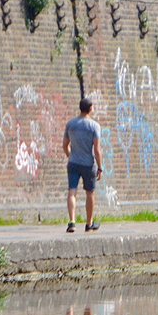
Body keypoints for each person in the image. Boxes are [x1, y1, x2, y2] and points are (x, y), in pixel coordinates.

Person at [63, 97, 104, 233]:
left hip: (73, 163)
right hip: (88, 164)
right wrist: (100, 167)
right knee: (90, 193)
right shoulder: (94, 126)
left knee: (72, 192)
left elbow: (65, 145)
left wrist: (71, 156)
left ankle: (72, 222)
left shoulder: (70, 124)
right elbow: (97, 150)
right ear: (90, 109)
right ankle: (89, 223)